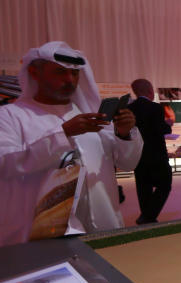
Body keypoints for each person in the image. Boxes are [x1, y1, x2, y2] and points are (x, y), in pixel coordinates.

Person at [0, 41, 142, 246]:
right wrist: (63, 135)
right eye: (60, 72)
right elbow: (5, 165)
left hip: (102, 227)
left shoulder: (89, 115)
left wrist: (125, 133)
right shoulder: (10, 117)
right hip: (38, 235)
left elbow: (129, 163)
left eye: (75, 74)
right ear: (34, 72)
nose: (69, 80)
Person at [128, 78, 173, 224]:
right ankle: (148, 216)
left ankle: (146, 216)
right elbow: (160, 128)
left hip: (138, 154)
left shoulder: (129, 108)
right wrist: (169, 125)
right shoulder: (155, 108)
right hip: (157, 153)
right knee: (165, 185)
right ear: (150, 91)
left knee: (143, 187)